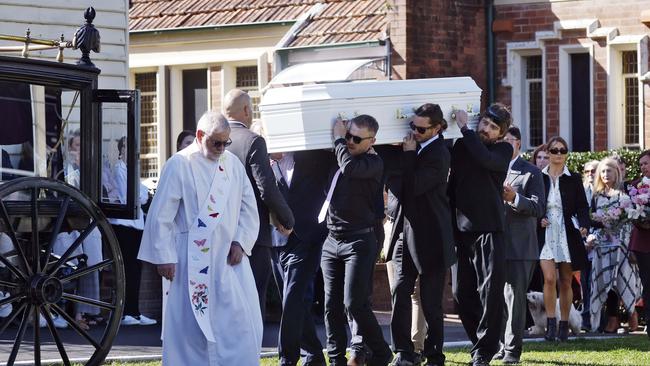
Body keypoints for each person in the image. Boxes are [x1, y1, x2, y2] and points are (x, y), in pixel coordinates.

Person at [138, 111, 262, 365]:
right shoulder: (179, 164)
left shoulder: (233, 165)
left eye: (226, 142)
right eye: (216, 142)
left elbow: (249, 207)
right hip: (188, 261)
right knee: (190, 329)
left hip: (228, 259)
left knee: (240, 325)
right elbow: (161, 215)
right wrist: (164, 257)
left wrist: (241, 241)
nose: (221, 148)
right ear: (199, 136)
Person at [387, 103, 455, 366]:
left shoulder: (439, 153)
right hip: (405, 230)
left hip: (431, 237)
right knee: (400, 291)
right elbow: (396, 182)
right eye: (412, 126)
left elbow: (413, 186)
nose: (414, 131)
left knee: (430, 300)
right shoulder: (412, 148)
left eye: (421, 128)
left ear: (437, 128)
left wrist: (407, 155)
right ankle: (403, 351)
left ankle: (435, 355)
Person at [320, 115, 392, 366]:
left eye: (356, 138)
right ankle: (336, 358)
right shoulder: (340, 156)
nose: (349, 141)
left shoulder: (373, 162)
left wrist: (339, 138)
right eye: (348, 135)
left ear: (372, 141)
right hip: (332, 240)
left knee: (355, 303)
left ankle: (381, 353)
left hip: (359, 241)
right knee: (330, 304)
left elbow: (349, 168)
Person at [448, 103, 513, 366]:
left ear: (501, 134)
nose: (486, 129)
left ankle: (484, 352)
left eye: (493, 127)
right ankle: (482, 342)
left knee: (490, 291)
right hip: (461, 230)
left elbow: (485, 160)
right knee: (461, 294)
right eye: (484, 123)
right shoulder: (463, 145)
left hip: (488, 228)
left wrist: (464, 127)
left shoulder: (502, 149)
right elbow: (451, 185)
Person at [223, 89, 295, 318]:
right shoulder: (253, 141)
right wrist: (287, 219)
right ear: (246, 110)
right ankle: (252, 349)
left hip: (219, 232)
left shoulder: (216, 141)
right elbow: (267, 188)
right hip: (252, 233)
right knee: (253, 298)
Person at [269, 149, 331, 366]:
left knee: (293, 297)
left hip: (308, 236)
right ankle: (313, 355)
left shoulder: (313, 156)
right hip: (276, 239)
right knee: (295, 301)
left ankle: (287, 358)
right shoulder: (263, 161)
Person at [494, 127, 545, 364]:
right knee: (495, 298)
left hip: (520, 246)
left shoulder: (531, 172)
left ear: (518, 144)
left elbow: (537, 208)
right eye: (500, 140)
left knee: (514, 299)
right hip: (493, 243)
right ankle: (500, 345)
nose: (503, 144)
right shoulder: (491, 167)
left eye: (508, 140)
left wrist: (514, 198)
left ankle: (512, 351)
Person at [538, 137, 589, 341]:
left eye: (562, 150)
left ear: (566, 153)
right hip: (546, 232)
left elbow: (582, 206)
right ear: (548, 152)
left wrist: (585, 223)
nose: (558, 154)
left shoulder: (574, 178)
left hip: (567, 233)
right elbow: (533, 203)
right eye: (554, 150)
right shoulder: (537, 177)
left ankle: (564, 325)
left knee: (566, 281)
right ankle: (550, 325)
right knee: (550, 278)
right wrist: (538, 220)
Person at [587, 157, 640, 333]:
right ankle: (612, 319)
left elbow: (633, 217)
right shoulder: (596, 196)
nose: (605, 174)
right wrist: (601, 222)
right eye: (602, 171)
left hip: (624, 244)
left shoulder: (625, 192)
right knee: (607, 281)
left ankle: (632, 314)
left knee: (625, 280)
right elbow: (591, 219)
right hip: (604, 245)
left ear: (617, 172)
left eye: (609, 170)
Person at [110, 136, 157, 326]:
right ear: (122, 150)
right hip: (123, 225)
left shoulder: (132, 170)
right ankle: (125, 312)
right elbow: (131, 196)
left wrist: (143, 193)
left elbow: (141, 195)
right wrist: (143, 193)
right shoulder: (119, 169)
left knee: (136, 269)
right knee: (127, 269)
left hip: (136, 225)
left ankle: (135, 311)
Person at [629, 150, 650, 339]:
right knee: (647, 284)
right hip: (643, 243)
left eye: (646, 163)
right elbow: (629, 212)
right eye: (641, 164)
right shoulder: (635, 186)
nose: (643, 166)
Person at [580, 159, 599, 331]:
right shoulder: (580, 191)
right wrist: (583, 240)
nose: (590, 175)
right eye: (587, 172)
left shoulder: (603, 192)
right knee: (585, 283)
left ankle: (601, 320)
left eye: (594, 171)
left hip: (601, 244)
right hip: (583, 244)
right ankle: (586, 319)